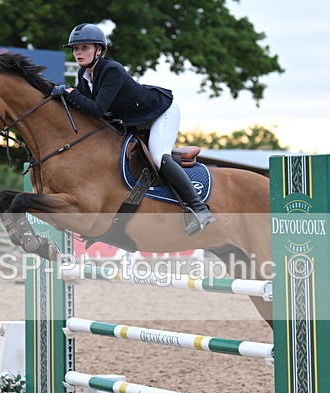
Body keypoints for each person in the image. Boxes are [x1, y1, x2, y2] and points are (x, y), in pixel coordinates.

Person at [52, 23, 214, 236]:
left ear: (99, 50)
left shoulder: (111, 70)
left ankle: (200, 208)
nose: (78, 53)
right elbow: (85, 112)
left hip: (160, 112)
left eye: (84, 47)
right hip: (135, 120)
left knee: (157, 156)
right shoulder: (84, 75)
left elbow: (97, 109)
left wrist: (70, 92)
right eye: (75, 49)